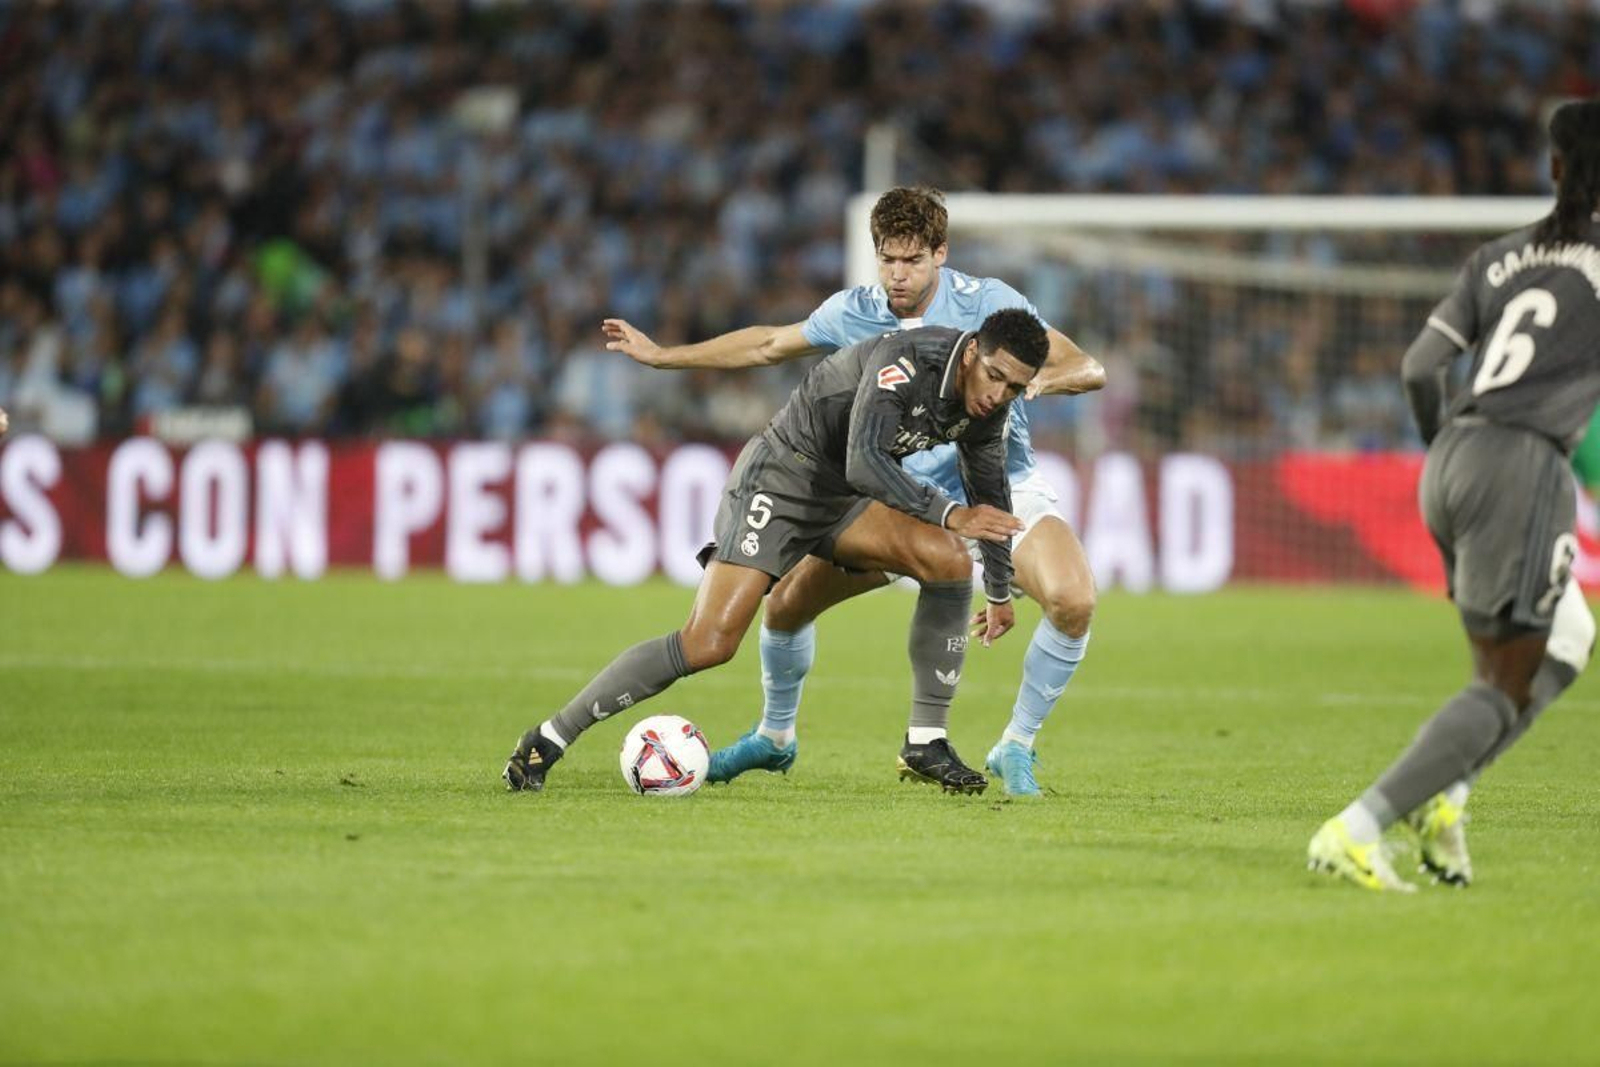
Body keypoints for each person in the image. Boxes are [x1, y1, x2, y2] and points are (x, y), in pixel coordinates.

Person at [603, 187, 1106, 796]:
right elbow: (767, 344)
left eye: (913, 260)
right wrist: (662, 358)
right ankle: (775, 737)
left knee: (1073, 600)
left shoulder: (990, 304)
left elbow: (1087, 367)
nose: (898, 274)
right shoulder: (856, 311)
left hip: (996, 488)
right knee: (785, 606)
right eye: (887, 260)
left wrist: (1025, 387)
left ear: (940, 254)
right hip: (901, 499)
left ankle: (1016, 746)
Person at [505, 310, 1051, 795]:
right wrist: (952, 513)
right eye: (994, 377)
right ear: (973, 350)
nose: (997, 395)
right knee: (708, 644)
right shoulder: (905, 362)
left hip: (845, 499)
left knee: (949, 559)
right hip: (782, 479)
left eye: (1013, 388)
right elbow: (865, 460)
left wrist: (1000, 591)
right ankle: (548, 738)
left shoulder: (987, 408)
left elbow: (990, 496)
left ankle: (926, 740)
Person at [1308, 100, 1600, 891]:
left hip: (1451, 460)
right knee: (1500, 685)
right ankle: (1358, 827)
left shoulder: (1499, 257)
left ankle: (1450, 794)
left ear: (1555, 169)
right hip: (1522, 464)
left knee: (1569, 633)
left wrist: (1452, 450)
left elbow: (1418, 367)